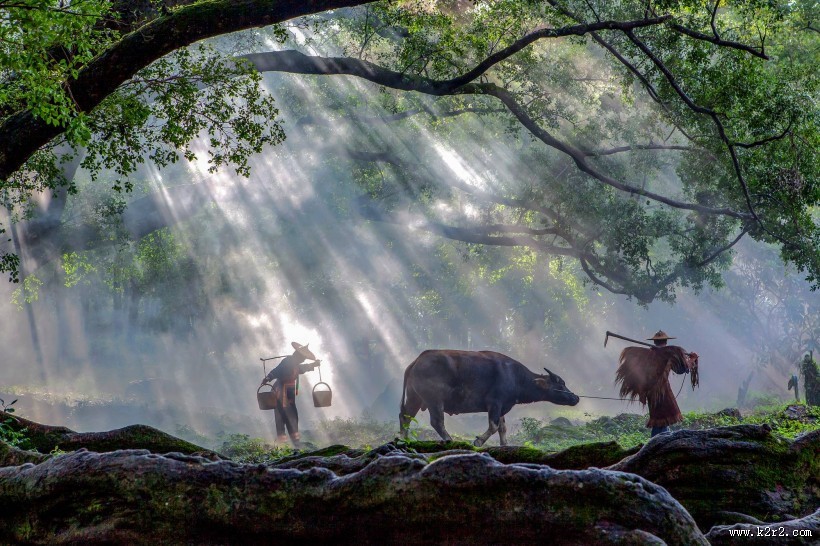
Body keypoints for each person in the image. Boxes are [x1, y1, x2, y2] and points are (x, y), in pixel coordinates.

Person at [615, 330, 699, 437]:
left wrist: (689, 359)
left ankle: (663, 441)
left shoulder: (648, 354)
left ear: (654, 342)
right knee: (661, 420)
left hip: (651, 393)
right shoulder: (669, 353)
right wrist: (692, 359)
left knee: (661, 420)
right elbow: (682, 369)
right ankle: (657, 444)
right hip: (662, 392)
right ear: (666, 341)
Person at [261, 342, 321, 447]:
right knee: (283, 416)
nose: (303, 360)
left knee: (292, 416)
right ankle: (284, 442)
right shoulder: (287, 361)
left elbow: (302, 368)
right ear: (298, 355)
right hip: (280, 391)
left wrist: (313, 365)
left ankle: (293, 442)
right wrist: (268, 378)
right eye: (303, 358)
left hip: (289, 392)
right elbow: (277, 370)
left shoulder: (296, 364)